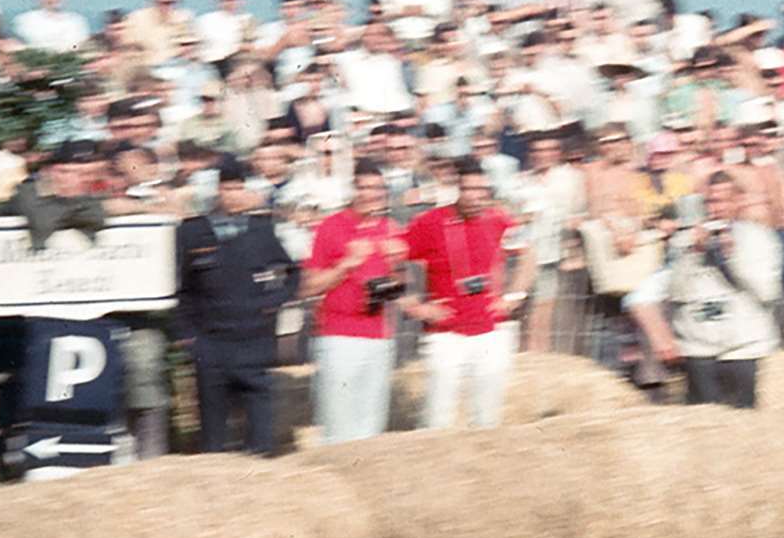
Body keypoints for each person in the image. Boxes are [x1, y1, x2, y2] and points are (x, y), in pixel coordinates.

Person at [174, 157, 299, 454]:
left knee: (262, 442)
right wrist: (189, 338)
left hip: (254, 338)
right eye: (227, 188)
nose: (233, 195)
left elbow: (292, 273)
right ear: (217, 191)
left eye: (238, 188)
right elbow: (182, 289)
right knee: (213, 438)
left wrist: (272, 304)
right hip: (211, 341)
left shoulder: (261, 229)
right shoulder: (192, 232)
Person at [628, 172, 782, 408]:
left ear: (737, 201)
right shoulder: (686, 241)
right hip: (699, 346)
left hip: (742, 347)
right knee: (702, 421)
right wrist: (692, 254)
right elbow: (676, 292)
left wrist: (732, 257)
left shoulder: (758, 237)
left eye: (723, 200)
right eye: (711, 201)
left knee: (742, 420)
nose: (716, 208)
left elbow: (767, 292)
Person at [404, 158, 529, 429]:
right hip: (446, 332)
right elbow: (394, 258)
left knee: (487, 416)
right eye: (468, 190)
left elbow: (529, 256)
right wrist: (415, 307)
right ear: (457, 189)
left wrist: (513, 297)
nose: (475, 197)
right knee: (438, 416)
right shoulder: (430, 222)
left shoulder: (499, 220)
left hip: (491, 329)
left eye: (481, 190)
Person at [303, 160, 404, 442]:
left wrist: (398, 266)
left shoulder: (391, 228)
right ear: (353, 190)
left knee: (371, 427)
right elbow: (310, 285)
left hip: (379, 337)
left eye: (376, 189)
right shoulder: (330, 226)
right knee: (337, 426)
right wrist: (347, 264)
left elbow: (399, 291)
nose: (370, 194)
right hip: (339, 336)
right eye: (363, 188)